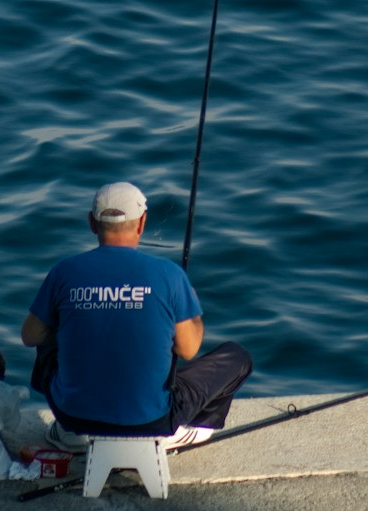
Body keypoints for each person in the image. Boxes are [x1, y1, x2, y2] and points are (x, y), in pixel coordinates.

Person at [22, 181, 253, 451]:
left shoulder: (63, 271)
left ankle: (70, 435)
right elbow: (188, 349)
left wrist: (78, 323)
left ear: (92, 223)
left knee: (48, 332)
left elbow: (30, 336)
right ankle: (181, 432)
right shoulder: (169, 274)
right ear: (142, 223)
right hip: (151, 420)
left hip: (73, 417)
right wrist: (193, 314)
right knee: (237, 357)